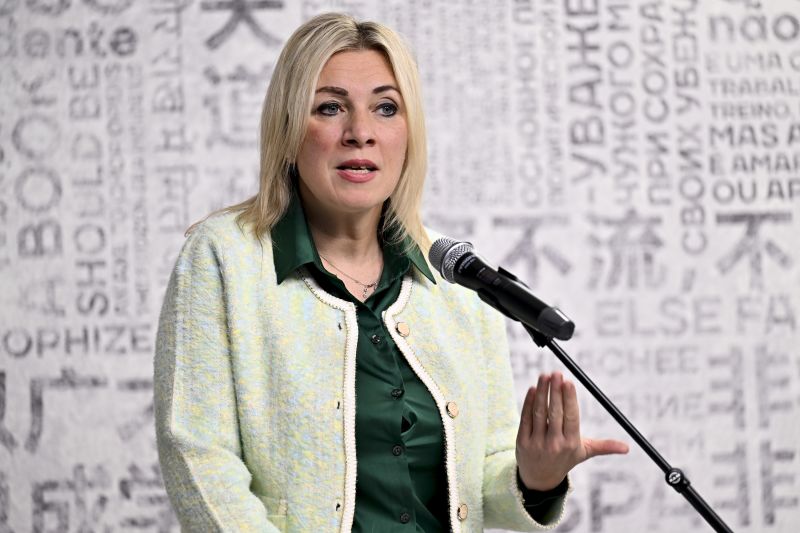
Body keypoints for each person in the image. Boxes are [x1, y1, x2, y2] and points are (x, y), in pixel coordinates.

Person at [154, 12, 629, 532]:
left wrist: (536, 478)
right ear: (288, 129)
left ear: (409, 133)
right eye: (330, 107)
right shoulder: (223, 257)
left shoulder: (456, 280)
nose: (360, 133)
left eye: (385, 108)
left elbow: (484, 476)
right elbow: (199, 457)